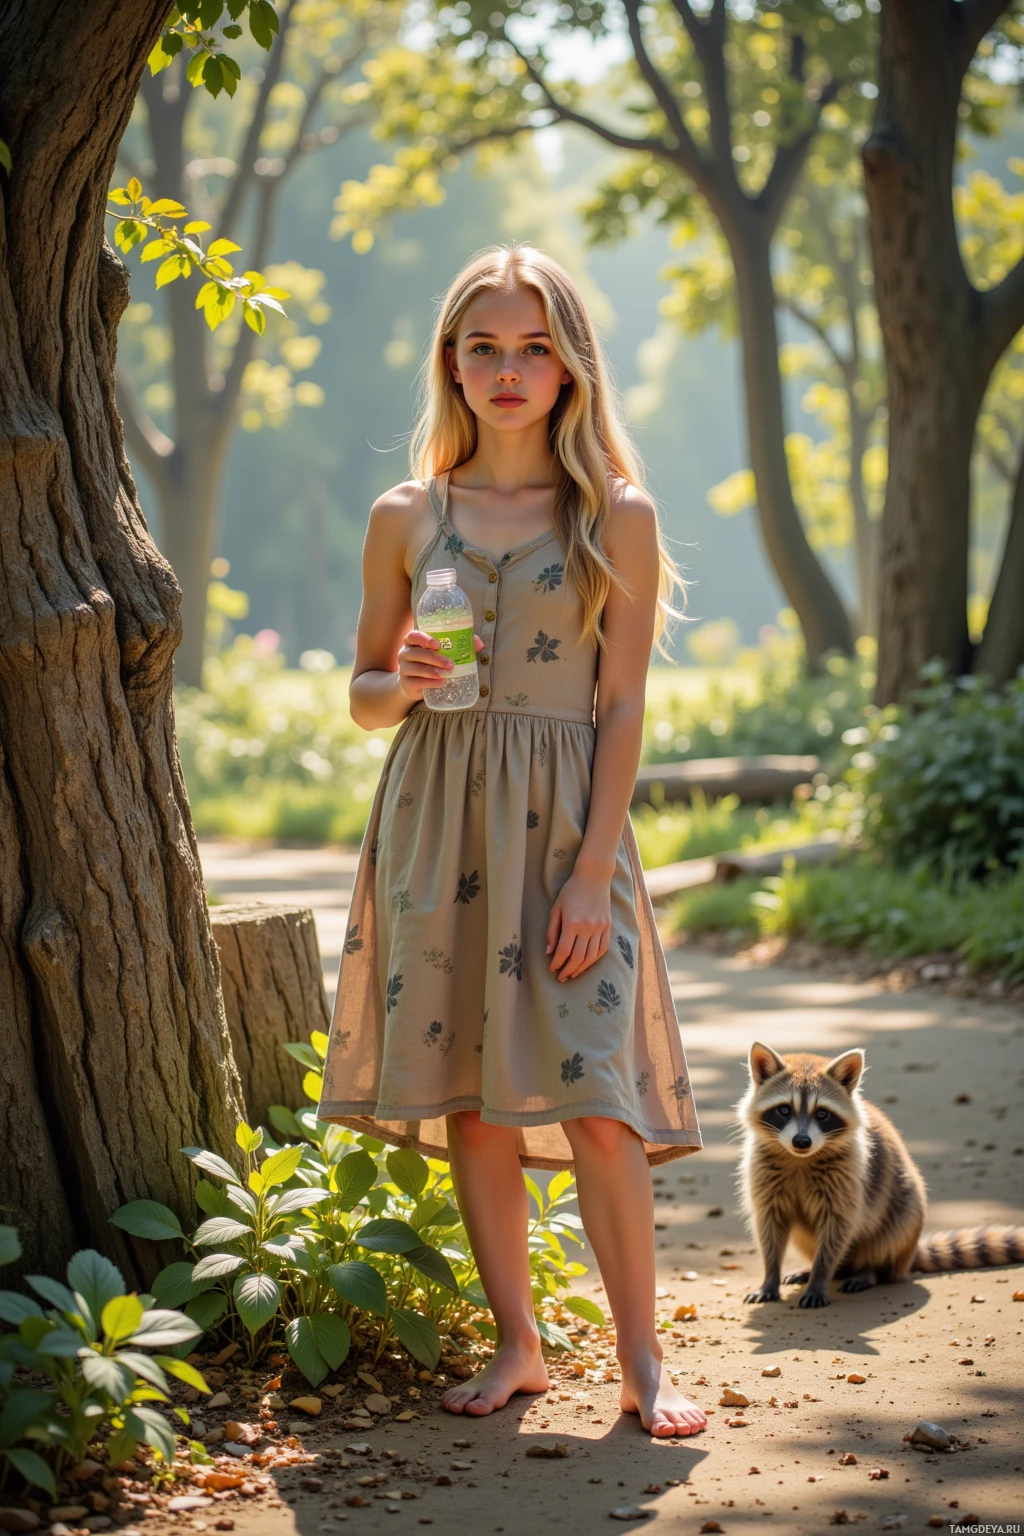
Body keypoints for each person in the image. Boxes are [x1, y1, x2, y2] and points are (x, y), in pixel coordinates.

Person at [318, 243, 706, 1439]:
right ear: (452, 361)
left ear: (569, 367)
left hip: (569, 830)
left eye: (534, 348)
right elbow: (364, 698)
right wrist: (402, 680)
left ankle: (642, 1362)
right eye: (483, 346)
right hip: (437, 824)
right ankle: (520, 1346)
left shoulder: (614, 514)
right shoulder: (406, 515)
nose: (507, 369)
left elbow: (623, 704)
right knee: (475, 1105)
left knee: (598, 1100)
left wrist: (593, 872)